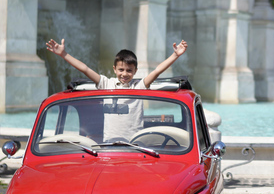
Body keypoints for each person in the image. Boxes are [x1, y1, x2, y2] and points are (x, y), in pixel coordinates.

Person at [45, 38, 188, 142]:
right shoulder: (107, 84)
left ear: (135, 71)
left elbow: (156, 71)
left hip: (136, 144)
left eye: (129, 70)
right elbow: (85, 69)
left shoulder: (138, 86)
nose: (125, 74)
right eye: (121, 69)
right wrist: (64, 54)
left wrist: (175, 55)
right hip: (110, 144)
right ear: (114, 69)